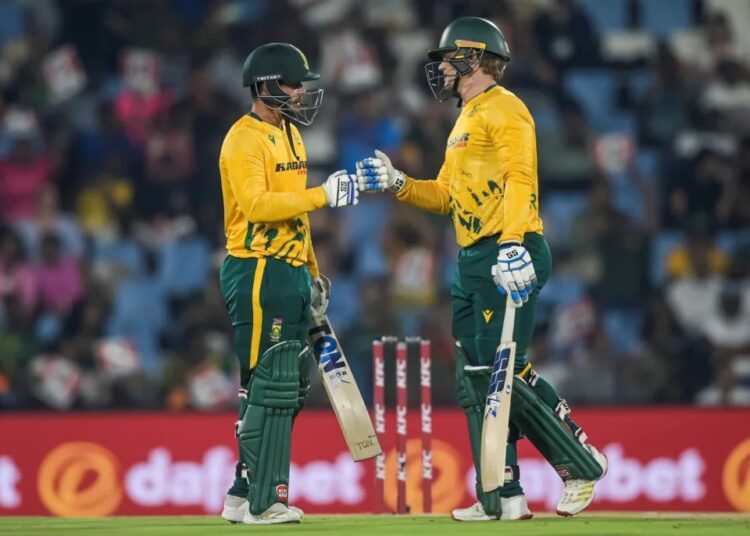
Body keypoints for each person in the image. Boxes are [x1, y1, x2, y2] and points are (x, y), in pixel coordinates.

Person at [356, 17, 607, 521]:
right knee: (476, 378)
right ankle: (499, 494)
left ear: (472, 57)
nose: (441, 69)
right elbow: (446, 196)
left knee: (500, 372)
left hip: (508, 248)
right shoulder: (465, 118)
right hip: (472, 256)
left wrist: (512, 244)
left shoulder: (505, 107)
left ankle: (581, 464)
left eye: (447, 59)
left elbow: (521, 177)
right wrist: (399, 183)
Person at [218, 42, 358, 525]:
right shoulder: (243, 139)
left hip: (290, 267)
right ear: (266, 85)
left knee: (288, 385)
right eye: (293, 83)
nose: (300, 92)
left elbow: (296, 214)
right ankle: (264, 501)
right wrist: (323, 195)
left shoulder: (292, 135)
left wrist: (311, 271)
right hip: (258, 268)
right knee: (268, 383)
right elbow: (257, 206)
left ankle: (242, 493)